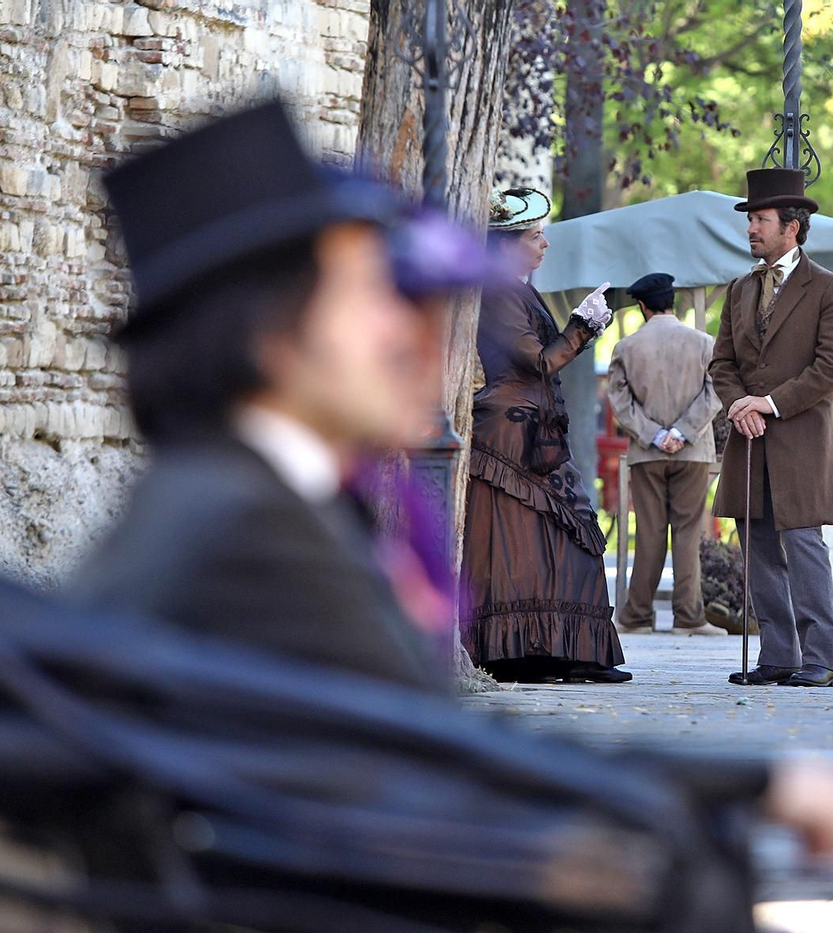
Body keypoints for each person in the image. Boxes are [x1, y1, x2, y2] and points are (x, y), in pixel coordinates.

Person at [66, 101, 448, 692]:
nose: (400, 329)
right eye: (367, 292)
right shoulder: (252, 527)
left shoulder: (231, 491)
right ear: (270, 334)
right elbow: (429, 755)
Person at [460, 187, 630, 684]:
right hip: (509, 440)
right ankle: (522, 653)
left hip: (533, 432)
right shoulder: (495, 290)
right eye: (536, 235)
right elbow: (536, 359)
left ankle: (566, 652)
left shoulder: (513, 286)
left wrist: (582, 327)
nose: (544, 243)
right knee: (520, 545)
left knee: (560, 542)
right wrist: (581, 326)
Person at [711, 168, 833, 687]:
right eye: (750, 219)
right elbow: (721, 363)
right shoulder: (739, 289)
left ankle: (820, 659)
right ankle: (779, 655)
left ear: (792, 226)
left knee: (803, 544)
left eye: (760, 219)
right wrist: (739, 406)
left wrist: (768, 403)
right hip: (748, 443)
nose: (751, 228)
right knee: (757, 545)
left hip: (800, 439)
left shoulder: (831, 291)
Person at [606, 272, 727, 637]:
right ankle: (689, 618)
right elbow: (716, 394)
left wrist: (656, 435)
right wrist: (681, 433)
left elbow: (620, 403)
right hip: (694, 452)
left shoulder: (626, 347)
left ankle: (636, 616)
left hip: (646, 453)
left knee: (649, 532)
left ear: (642, 306)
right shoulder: (705, 343)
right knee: (688, 532)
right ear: (673, 303)